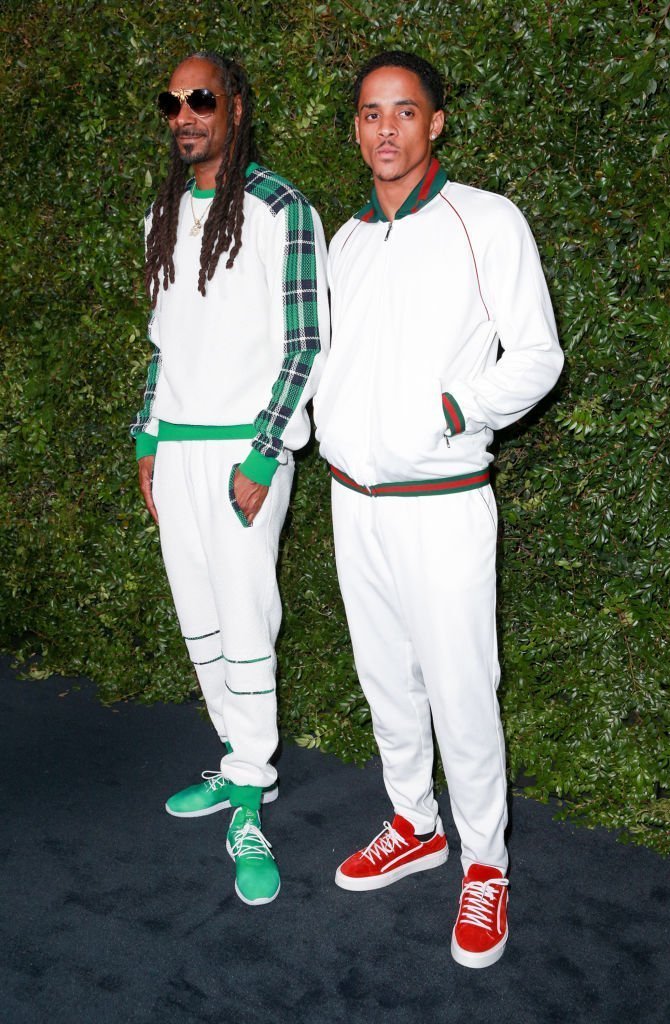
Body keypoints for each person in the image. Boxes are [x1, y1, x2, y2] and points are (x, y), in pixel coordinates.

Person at [315, 51, 563, 967]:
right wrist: (318, 428)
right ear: (355, 128)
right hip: (353, 501)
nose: (386, 129)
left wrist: (456, 411)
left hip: (444, 498)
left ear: (435, 124)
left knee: (461, 689)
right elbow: (327, 360)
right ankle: (415, 825)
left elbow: (535, 356)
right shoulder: (342, 240)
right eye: (371, 113)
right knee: (387, 681)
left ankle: (486, 865)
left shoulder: (484, 220)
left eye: (404, 112)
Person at [130, 51, 329, 906]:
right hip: (174, 447)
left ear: (236, 107)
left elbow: (304, 340)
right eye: (172, 101)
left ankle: (249, 796)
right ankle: (241, 762)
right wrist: (146, 433)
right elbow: (163, 342)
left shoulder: (280, 206)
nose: (185, 114)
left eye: (201, 98)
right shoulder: (160, 215)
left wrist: (264, 449)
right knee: (199, 616)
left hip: (245, 449)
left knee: (247, 616)